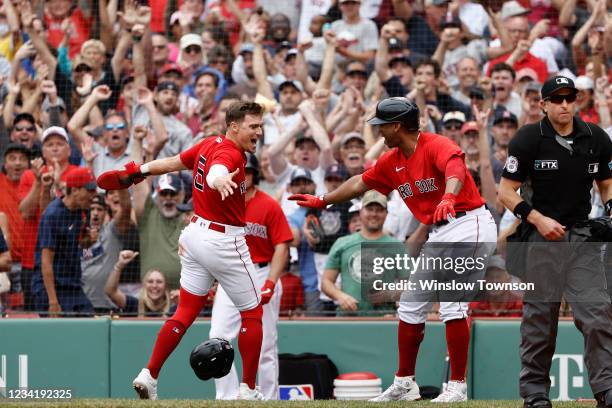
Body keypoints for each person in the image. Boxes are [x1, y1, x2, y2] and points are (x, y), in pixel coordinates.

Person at [289, 97, 497, 402]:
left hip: (469, 223)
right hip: (440, 232)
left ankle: (457, 387)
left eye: (382, 126)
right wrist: (323, 200)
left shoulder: (434, 144)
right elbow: (360, 182)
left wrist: (450, 196)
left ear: (397, 125)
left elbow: (455, 167)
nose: (379, 132)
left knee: (453, 305)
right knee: (411, 306)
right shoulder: (393, 160)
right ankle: (405, 383)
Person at [97, 101, 266, 400]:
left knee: (185, 312)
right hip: (223, 241)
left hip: (195, 236)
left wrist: (139, 170)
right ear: (234, 126)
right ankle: (249, 390)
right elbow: (217, 171)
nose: (259, 131)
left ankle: (149, 374)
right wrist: (218, 179)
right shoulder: (229, 152)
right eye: (254, 126)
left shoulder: (208, 143)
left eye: (260, 125)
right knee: (252, 313)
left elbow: (174, 161)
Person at [498, 75, 612, 408]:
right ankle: (534, 394)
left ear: (577, 101)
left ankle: (607, 390)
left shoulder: (597, 137)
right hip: (539, 238)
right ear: (543, 104)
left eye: (569, 98)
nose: (564, 105)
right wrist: (538, 219)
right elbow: (505, 192)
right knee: (539, 318)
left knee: (597, 314)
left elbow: (606, 183)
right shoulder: (528, 138)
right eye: (557, 99)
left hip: (582, 237)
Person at [210, 153, 292, 400]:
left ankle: (267, 398)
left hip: (261, 271)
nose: (241, 177)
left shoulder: (268, 204)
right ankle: (227, 397)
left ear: (254, 175)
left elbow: (282, 246)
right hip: (231, 274)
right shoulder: (223, 203)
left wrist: (270, 282)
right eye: (237, 172)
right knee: (218, 337)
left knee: (266, 344)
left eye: (245, 172)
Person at [322, 190, 404, 315]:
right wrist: (341, 297)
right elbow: (326, 282)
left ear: (386, 213)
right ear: (361, 212)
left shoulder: (397, 246)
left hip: (384, 319)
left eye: (379, 210)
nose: (374, 214)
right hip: (348, 318)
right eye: (369, 209)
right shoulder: (342, 243)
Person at [32, 167, 97, 316]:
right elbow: (46, 262)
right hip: (49, 287)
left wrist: (89, 241)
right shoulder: (52, 215)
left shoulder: (83, 210)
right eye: (89, 190)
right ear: (74, 190)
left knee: (90, 322)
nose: (93, 195)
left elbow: (82, 244)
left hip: (72, 284)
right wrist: (53, 302)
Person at [105, 250, 175, 317]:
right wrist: (119, 265)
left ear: (166, 286)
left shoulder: (174, 308)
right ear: (144, 285)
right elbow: (111, 292)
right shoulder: (134, 304)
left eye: (159, 282)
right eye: (150, 281)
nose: (154, 285)